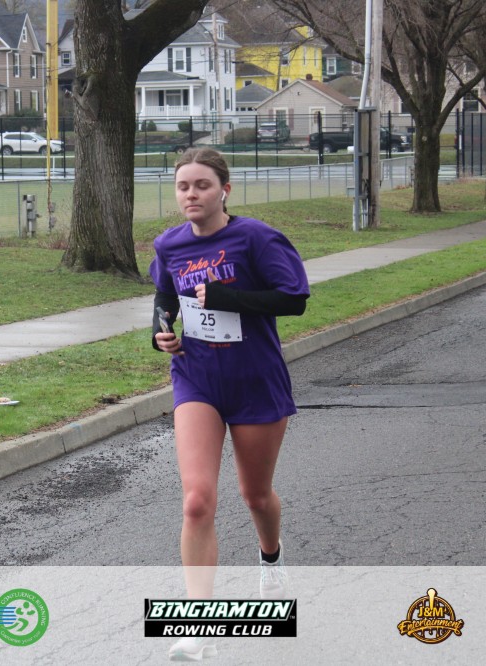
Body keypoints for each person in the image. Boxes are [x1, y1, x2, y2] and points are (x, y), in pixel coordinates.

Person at [149, 148, 309, 661]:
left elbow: (294, 298)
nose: (191, 194)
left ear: (225, 190)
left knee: (255, 496)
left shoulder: (256, 238)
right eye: (183, 186)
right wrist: (161, 331)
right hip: (196, 379)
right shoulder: (169, 244)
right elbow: (165, 297)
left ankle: (271, 559)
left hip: (255, 381)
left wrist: (226, 297)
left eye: (202, 185)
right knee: (197, 500)